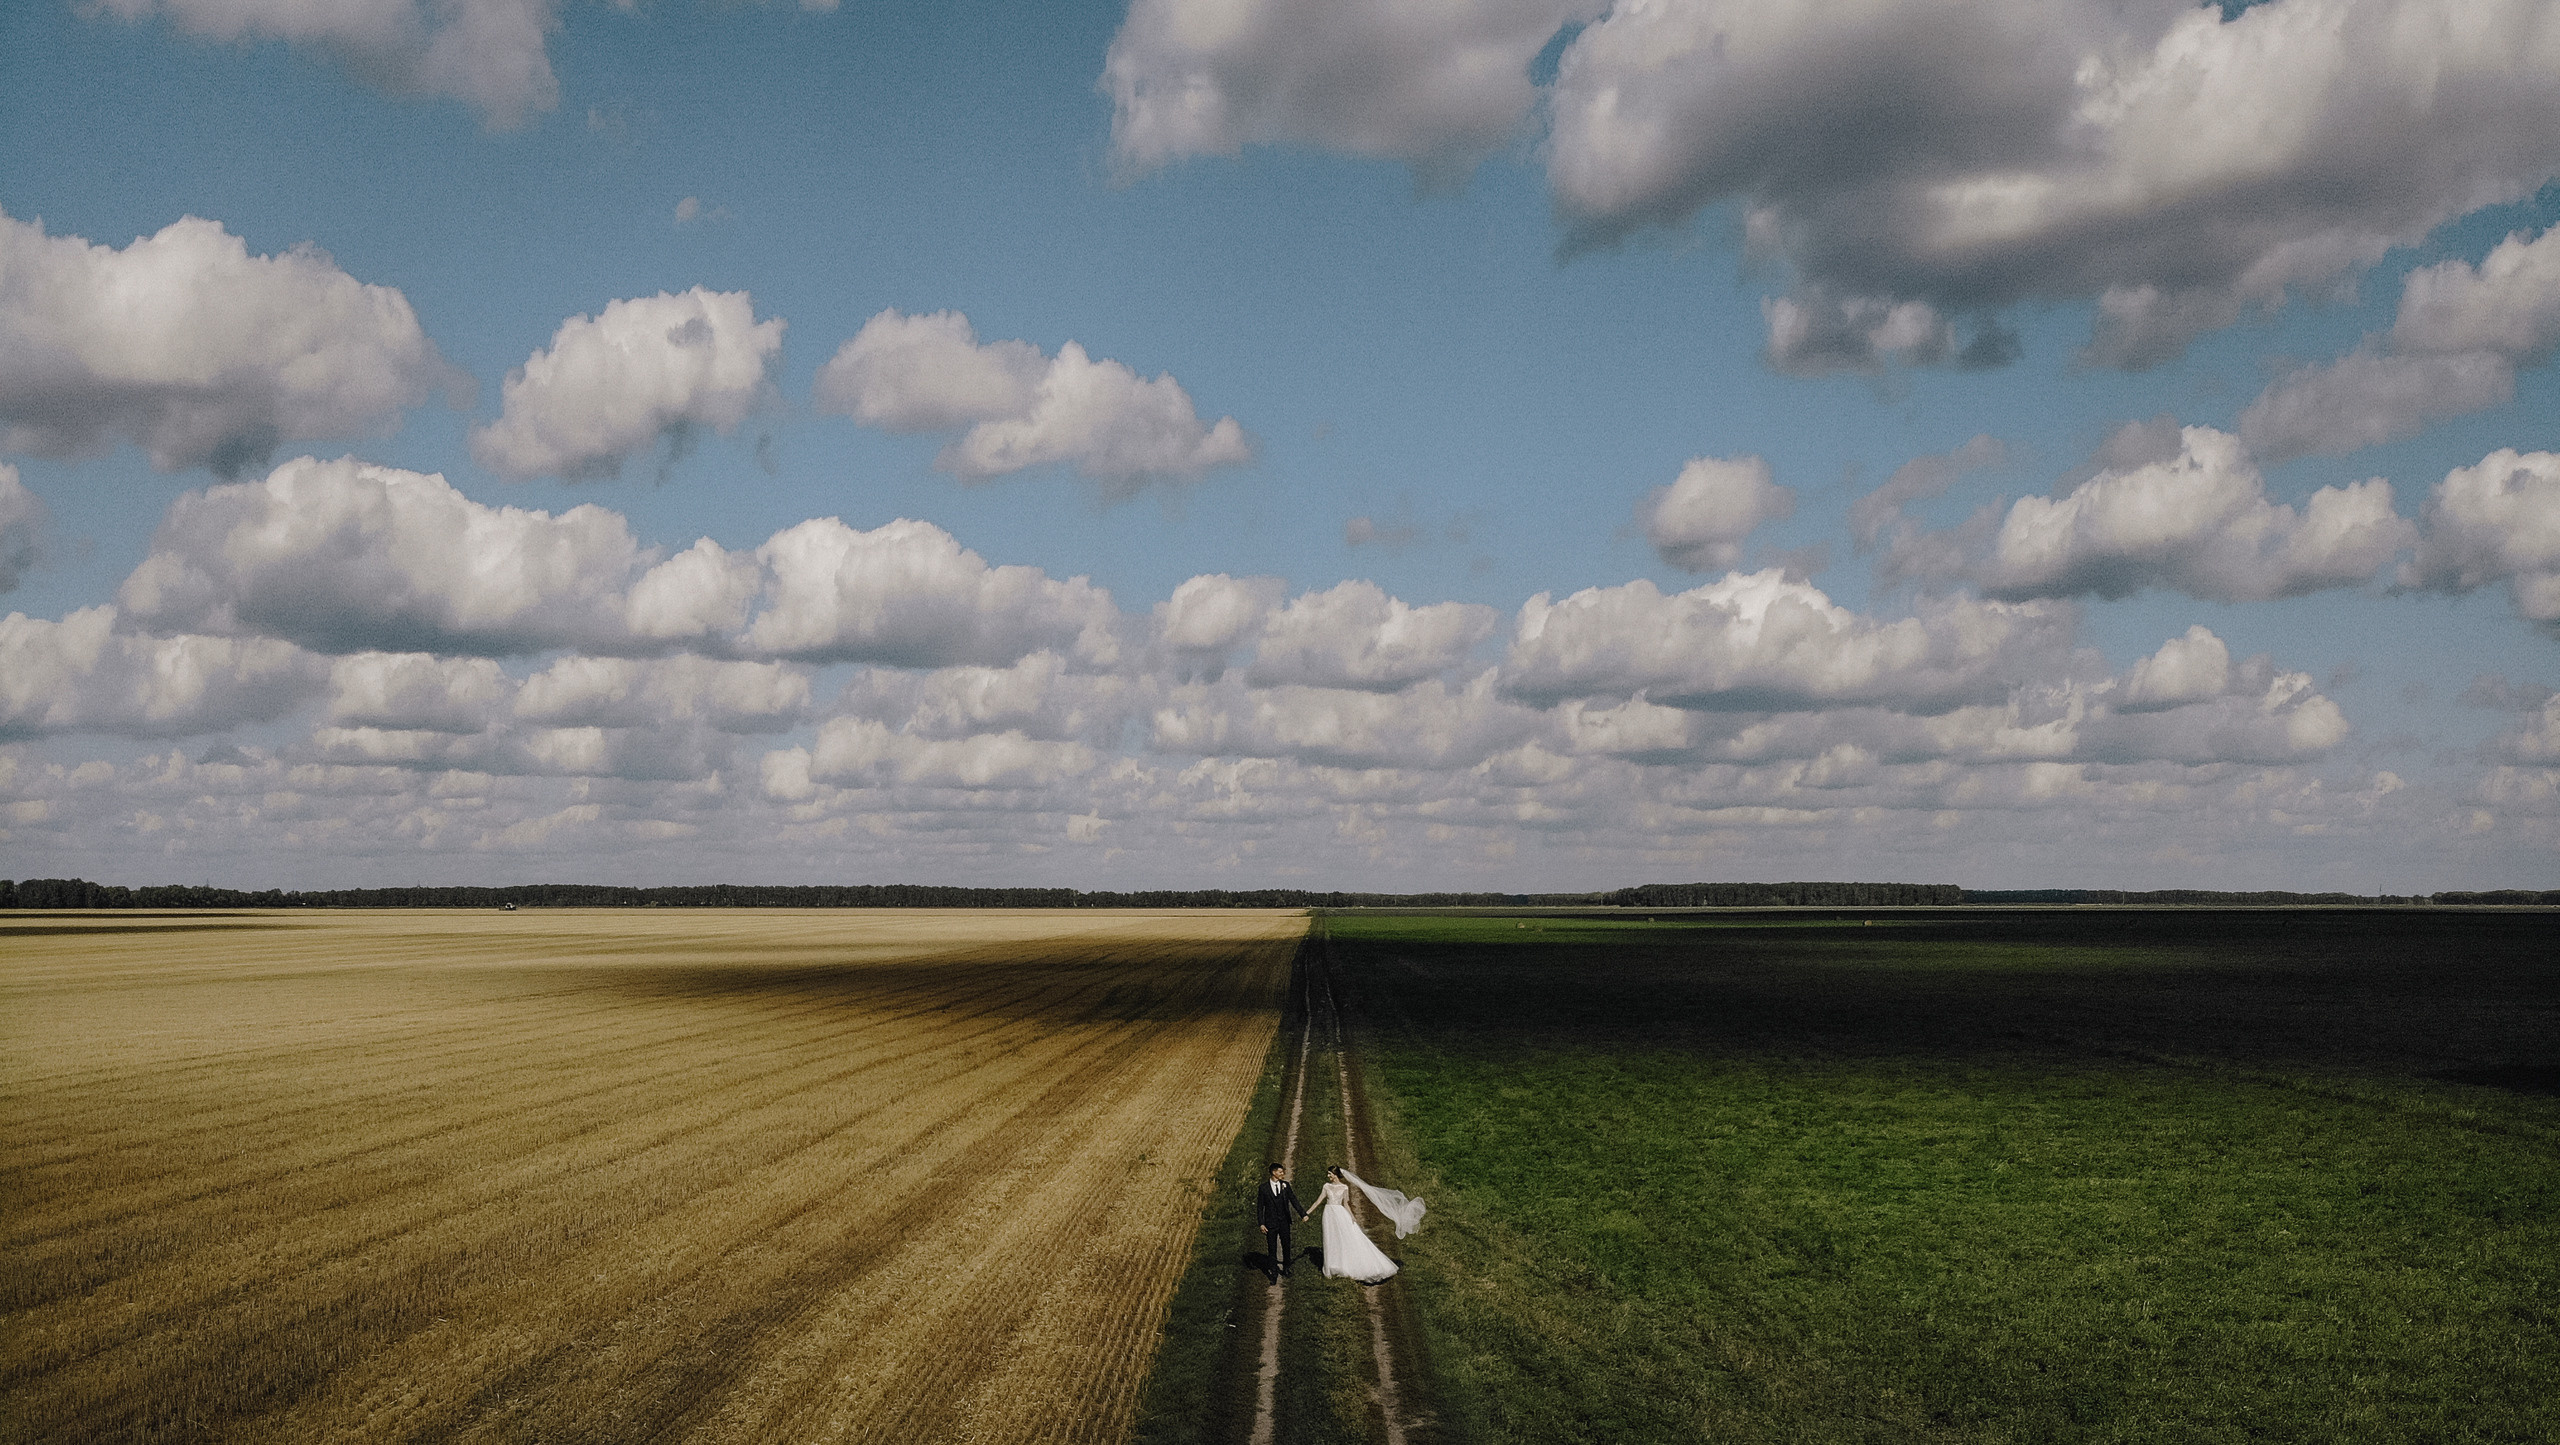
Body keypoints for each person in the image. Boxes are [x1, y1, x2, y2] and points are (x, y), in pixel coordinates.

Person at [1305, 1165, 1425, 1284]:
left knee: (1345, 1238)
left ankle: (1346, 1264)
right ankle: (1332, 1265)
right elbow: (1318, 1201)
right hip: (1328, 1215)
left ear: (1335, 1175)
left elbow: (1346, 1204)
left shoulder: (1344, 1188)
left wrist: (1352, 1217)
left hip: (1340, 1214)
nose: (1328, 1176)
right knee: (1330, 1238)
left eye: (1329, 1174)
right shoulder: (1326, 1186)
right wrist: (1307, 1213)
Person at [1256, 1163, 1304, 1279]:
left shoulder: (1285, 1185)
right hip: (1270, 1223)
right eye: (1280, 1172)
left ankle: (1286, 1268)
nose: (1283, 1174)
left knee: (1286, 1245)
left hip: (1284, 1222)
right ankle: (1273, 1272)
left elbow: (1293, 1200)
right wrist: (1261, 1223)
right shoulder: (1263, 1188)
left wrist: (1303, 1214)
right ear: (1274, 1173)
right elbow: (1260, 1207)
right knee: (1272, 1248)